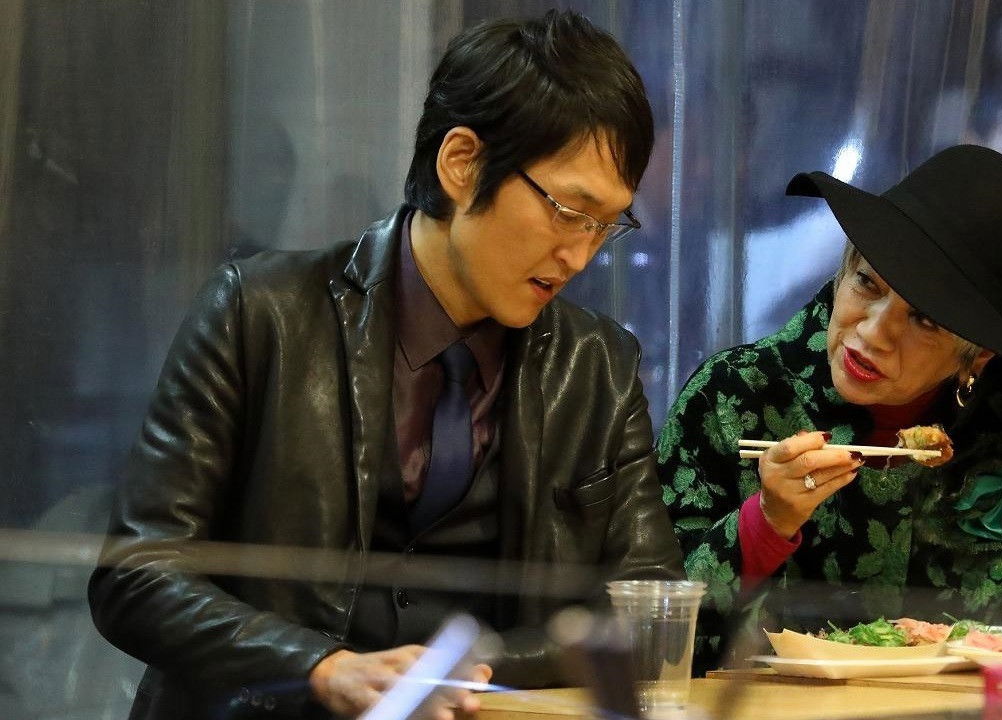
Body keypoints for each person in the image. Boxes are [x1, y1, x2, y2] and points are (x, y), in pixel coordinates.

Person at [87, 10, 683, 720]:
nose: (580, 255)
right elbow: (137, 577)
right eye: (567, 211)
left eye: (606, 225)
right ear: (462, 163)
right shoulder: (260, 314)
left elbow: (647, 606)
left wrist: (458, 674)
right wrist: (323, 668)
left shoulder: (597, 364)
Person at [658, 145, 1002, 664]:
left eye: (925, 319)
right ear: (843, 271)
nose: (874, 332)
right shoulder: (734, 396)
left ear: (976, 355)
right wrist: (767, 522)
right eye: (867, 283)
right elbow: (654, 622)